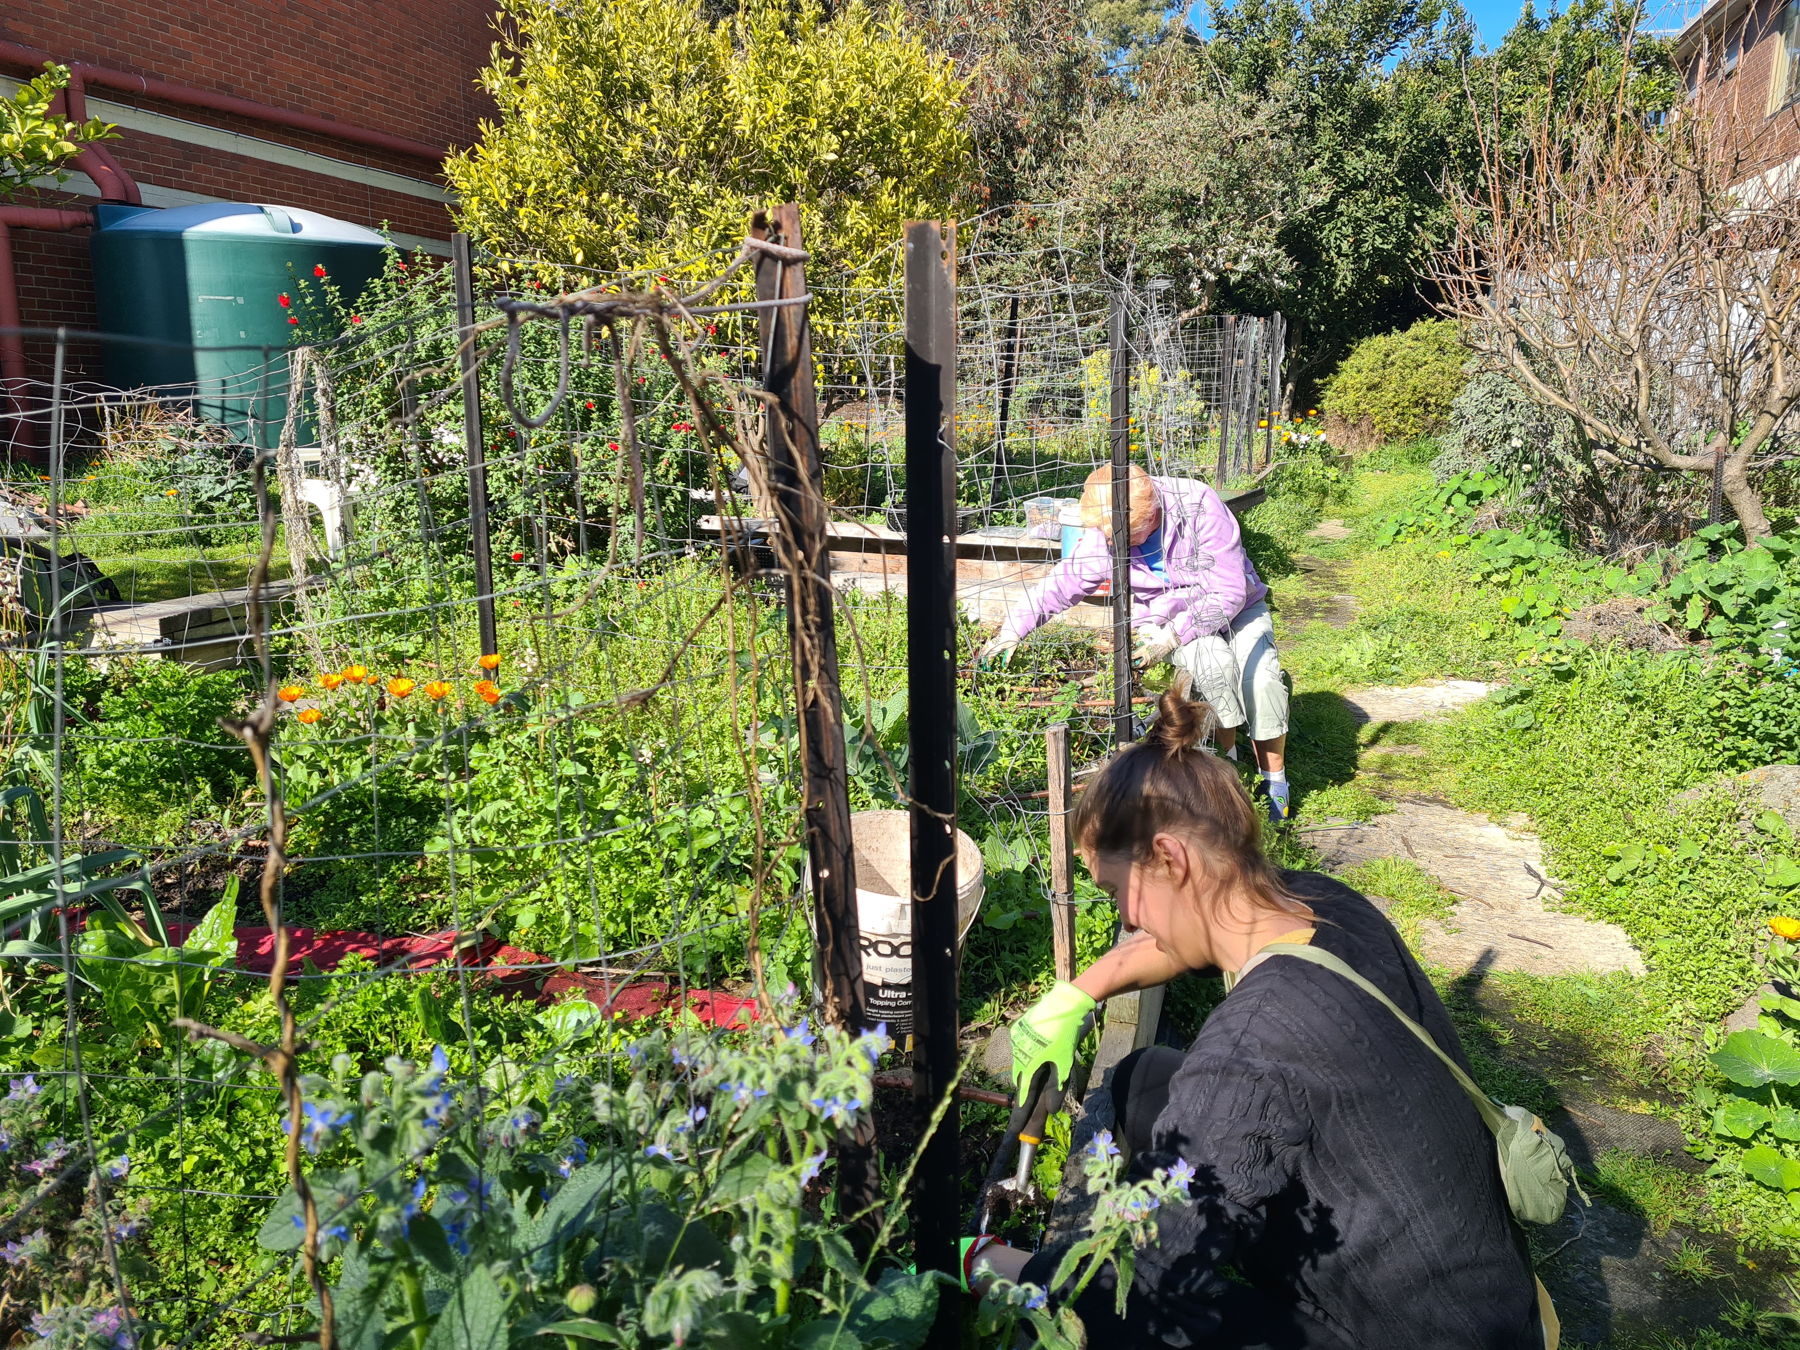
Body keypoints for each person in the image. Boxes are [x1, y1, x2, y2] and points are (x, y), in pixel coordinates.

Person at [972, 691, 1546, 1347]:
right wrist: (1078, 994)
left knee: (1131, 1311)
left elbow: (1130, 1285)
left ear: (1173, 858)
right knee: (1143, 1084)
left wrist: (985, 1263)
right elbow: (1170, 943)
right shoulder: (1324, 904)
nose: (1127, 921)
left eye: (1117, 892)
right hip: (1481, 1293)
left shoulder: (1251, 1050)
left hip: (1401, 1333)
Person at [977, 465, 1292, 820]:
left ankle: (1273, 779)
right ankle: (1231, 772)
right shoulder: (1108, 530)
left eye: (1124, 537)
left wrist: (1172, 637)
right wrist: (1012, 631)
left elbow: (1230, 591)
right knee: (1214, 668)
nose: (1111, 543)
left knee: (1262, 680)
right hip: (1170, 620)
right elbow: (1061, 584)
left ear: (1152, 514)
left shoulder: (1198, 503)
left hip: (1236, 607)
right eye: (1107, 536)